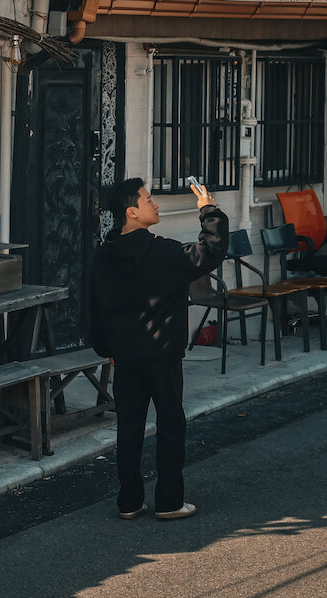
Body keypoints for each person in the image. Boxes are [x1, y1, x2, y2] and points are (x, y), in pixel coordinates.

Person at [90, 177, 227, 521]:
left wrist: (105, 347)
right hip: (163, 355)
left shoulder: (104, 255)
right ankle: (168, 502)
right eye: (148, 200)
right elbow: (210, 250)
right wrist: (207, 208)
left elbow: (94, 306)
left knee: (129, 428)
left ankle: (129, 502)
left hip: (124, 357)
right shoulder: (161, 251)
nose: (155, 204)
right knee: (170, 426)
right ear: (132, 211)